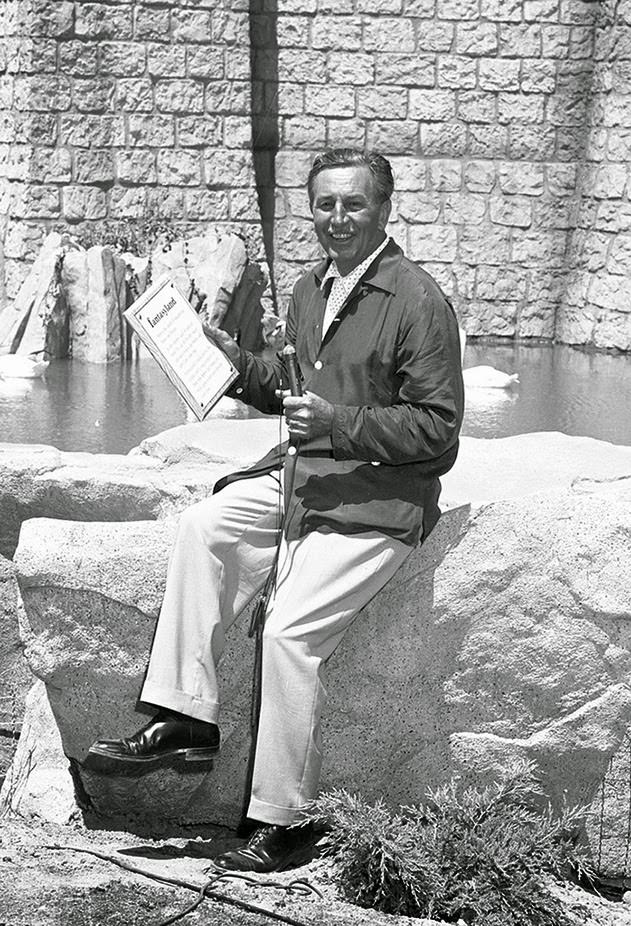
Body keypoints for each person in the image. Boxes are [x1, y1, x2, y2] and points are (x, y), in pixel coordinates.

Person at [90, 147, 464, 873]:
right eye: (324, 204)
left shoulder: (419, 300)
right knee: (205, 526)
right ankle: (185, 716)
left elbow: (437, 428)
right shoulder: (309, 287)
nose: (337, 218)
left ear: (385, 208)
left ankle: (288, 822)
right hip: (303, 476)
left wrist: (338, 426)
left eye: (352, 204)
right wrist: (231, 362)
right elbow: (288, 388)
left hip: (379, 498)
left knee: (289, 635)